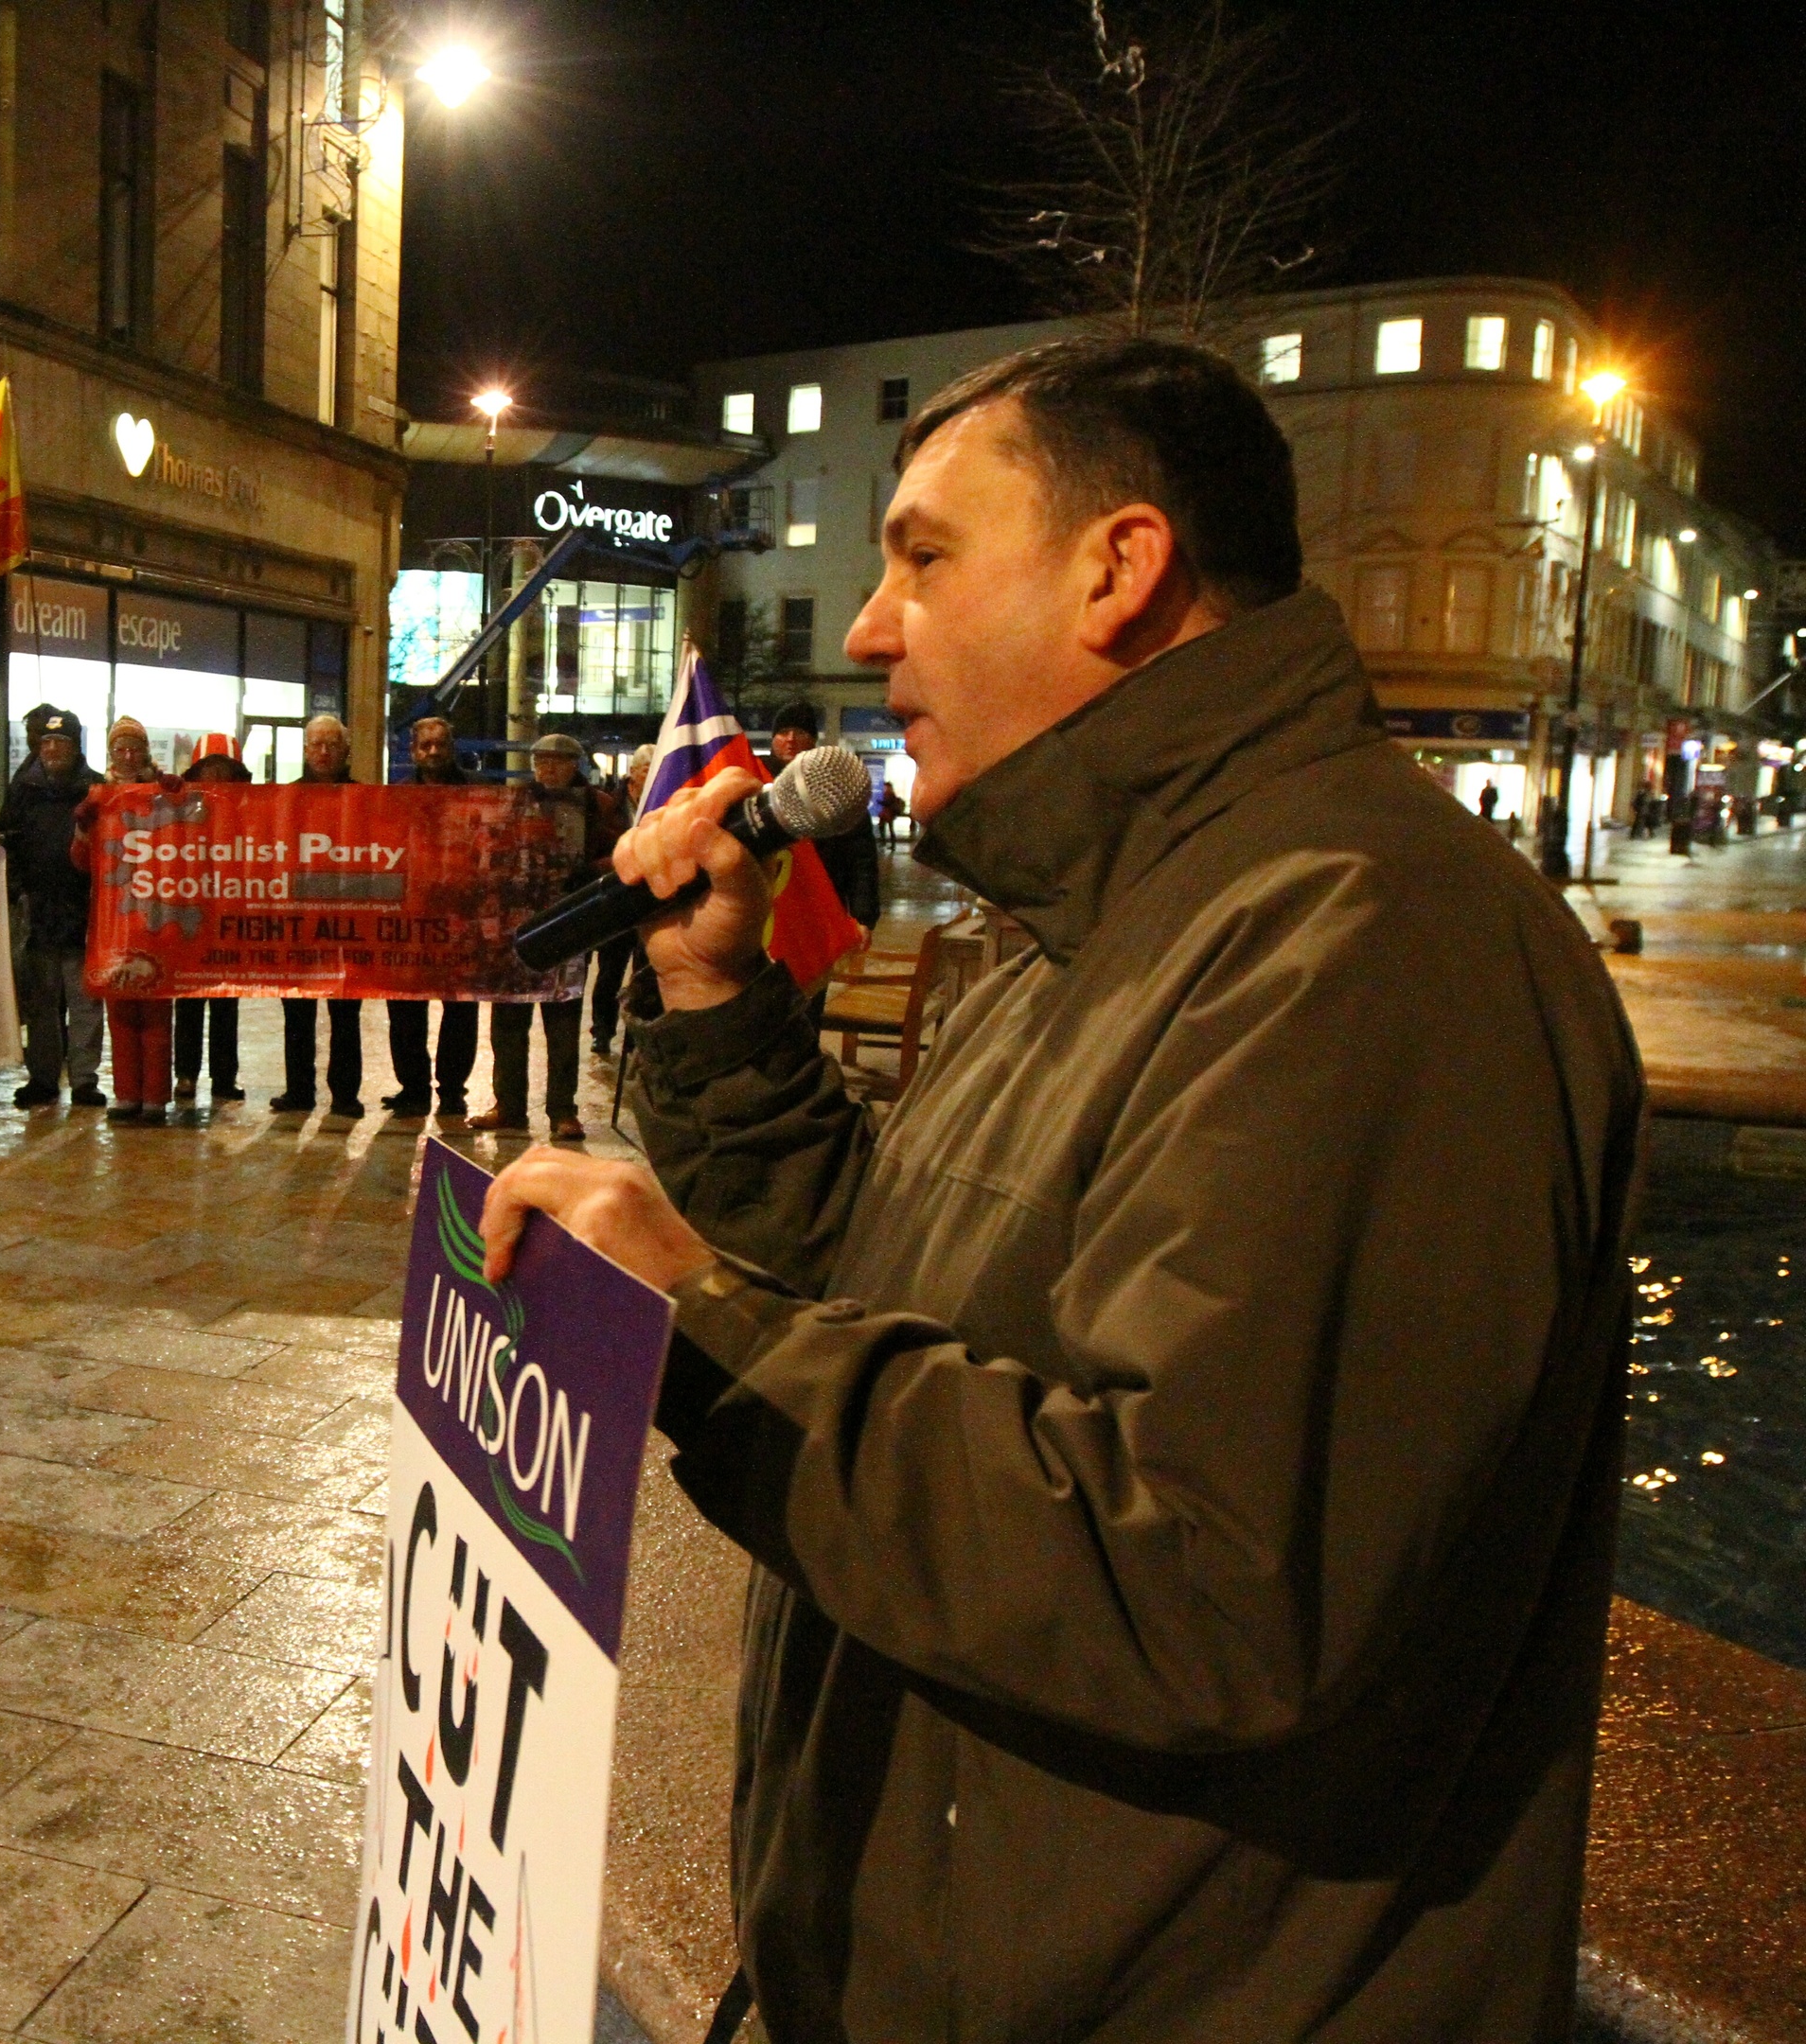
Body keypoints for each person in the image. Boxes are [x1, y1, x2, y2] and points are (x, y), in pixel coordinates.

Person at [478, 336, 1641, 2044]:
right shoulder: (1104, 914)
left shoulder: (1373, 942)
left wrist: (707, 1334)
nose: (871, 627)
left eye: (925, 556)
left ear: (1120, 568)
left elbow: (1206, 1577)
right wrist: (720, 1013)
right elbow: (902, 1281)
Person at [474, 733, 619, 1141]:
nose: (547, 769)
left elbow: (619, 851)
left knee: (562, 1022)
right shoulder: (517, 800)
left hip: (571, 921)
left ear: (574, 765)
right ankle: (509, 1105)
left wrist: (589, 871)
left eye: (556, 762)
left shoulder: (598, 805)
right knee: (508, 1020)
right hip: (517, 921)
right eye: (541, 761)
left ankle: (562, 1110)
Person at [1, 703, 107, 1109]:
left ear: (75, 746)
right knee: (42, 1001)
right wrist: (16, 891)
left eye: (60, 743)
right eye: (46, 742)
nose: (52, 750)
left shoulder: (95, 789)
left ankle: (83, 1079)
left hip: (83, 911)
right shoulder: (23, 790)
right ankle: (43, 1077)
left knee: (84, 1002)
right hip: (39, 913)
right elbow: (8, 842)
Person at [79, 716, 175, 1124]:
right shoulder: (99, 796)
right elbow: (82, 862)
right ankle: (127, 1093)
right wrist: (84, 829)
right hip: (113, 915)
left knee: (154, 1007)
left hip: (156, 911)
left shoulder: (163, 792)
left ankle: (154, 1095)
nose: (129, 756)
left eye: (135, 748)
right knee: (120, 1008)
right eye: (121, 749)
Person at [382, 714, 477, 1123]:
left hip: (461, 917)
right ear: (413, 751)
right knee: (405, 1007)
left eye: (440, 744)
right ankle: (413, 1089)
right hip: (411, 916)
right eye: (426, 745)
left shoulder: (478, 795)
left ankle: (452, 1091)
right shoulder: (396, 798)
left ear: (451, 747)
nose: (433, 751)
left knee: (460, 1008)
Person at [274, 714, 366, 1119]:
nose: (324, 751)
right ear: (306, 750)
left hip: (346, 922)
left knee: (346, 1014)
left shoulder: (366, 799)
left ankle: (345, 1096)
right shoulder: (284, 799)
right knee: (297, 1012)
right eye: (317, 744)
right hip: (298, 921)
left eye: (332, 744)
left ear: (346, 750)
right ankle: (300, 1091)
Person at [172, 733, 251, 1107]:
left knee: (225, 1005)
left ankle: (224, 1078)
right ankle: (185, 1075)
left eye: (224, 770)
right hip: (192, 913)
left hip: (231, 916)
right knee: (188, 1000)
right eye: (210, 770)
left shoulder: (252, 810)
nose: (217, 778)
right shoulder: (179, 809)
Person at [772, 701, 882, 931]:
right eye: (783, 732)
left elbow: (860, 860)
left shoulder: (836, 786)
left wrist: (863, 916)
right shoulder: (755, 784)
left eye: (800, 732)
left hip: (822, 909)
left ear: (813, 740)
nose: (790, 739)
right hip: (769, 914)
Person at [588, 743, 655, 1056]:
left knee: (644, 973)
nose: (653, 775)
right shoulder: (608, 807)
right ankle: (602, 1030)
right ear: (634, 773)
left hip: (652, 902)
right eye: (647, 769)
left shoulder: (663, 804)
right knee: (610, 972)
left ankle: (635, 1035)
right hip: (617, 901)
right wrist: (621, 861)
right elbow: (594, 853)